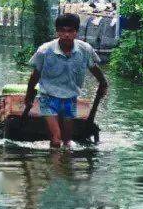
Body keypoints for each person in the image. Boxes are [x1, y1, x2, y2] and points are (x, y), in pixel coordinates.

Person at [22, 13, 108, 149]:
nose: (66, 35)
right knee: (56, 140)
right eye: (62, 31)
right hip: (48, 98)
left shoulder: (85, 49)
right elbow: (35, 75)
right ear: (57, 32)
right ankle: (56, 169)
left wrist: (103, 82)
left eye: (70, 31)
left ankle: (65, 168)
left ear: (76, 32)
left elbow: (94, 68)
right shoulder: (45, 50)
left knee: (67, 142)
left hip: (70, 98)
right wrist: (28, 96)